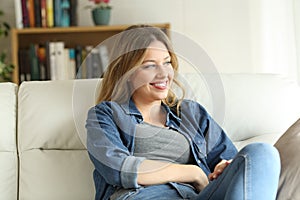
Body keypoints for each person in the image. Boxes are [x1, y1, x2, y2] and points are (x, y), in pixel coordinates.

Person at [86, 25, 280, 200]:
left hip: (200, 196)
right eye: (149, 65)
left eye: (167, 62)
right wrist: (192, 173)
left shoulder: (190, 113)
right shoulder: (106, 115)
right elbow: (118, 168)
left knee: (262, 152)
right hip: (145, 196)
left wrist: (223, 167)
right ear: (127, 72)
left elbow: (232, 161)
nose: (163, 73)